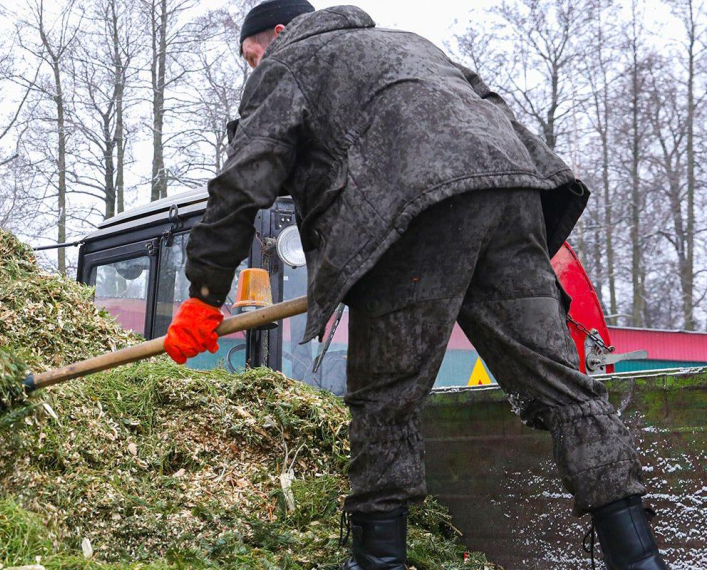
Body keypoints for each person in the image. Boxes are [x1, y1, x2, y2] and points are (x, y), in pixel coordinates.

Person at [161, 2, 669, 569]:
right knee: (565, 390)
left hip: (411, 210)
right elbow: (494, 113)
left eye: (248, 55)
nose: (250, 68)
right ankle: (640, 560)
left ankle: (378, 561)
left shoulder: (290, 61)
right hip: (512, 193)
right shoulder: (411, 45)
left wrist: (204, 296)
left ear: (278, 34)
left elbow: (241, 184)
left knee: (386, 404)